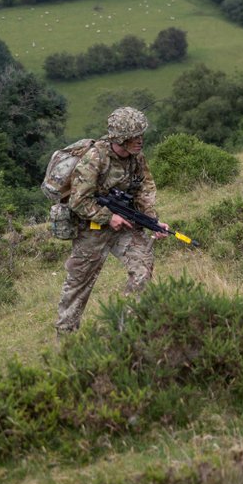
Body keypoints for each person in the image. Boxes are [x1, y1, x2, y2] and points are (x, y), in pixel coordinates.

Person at [55, 106, 168, 335]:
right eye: (134, 137)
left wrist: (152, 221)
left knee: (143, 266)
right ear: (120, 138)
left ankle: (126, 327)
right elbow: (78, 201)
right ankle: (65, 338)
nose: (140, 141)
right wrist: (108, 217)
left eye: (140, 135)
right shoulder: (95, 158)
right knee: (78, 285)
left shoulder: (137, 157)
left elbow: (144, 189)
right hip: (92, 229)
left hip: (125, 225)